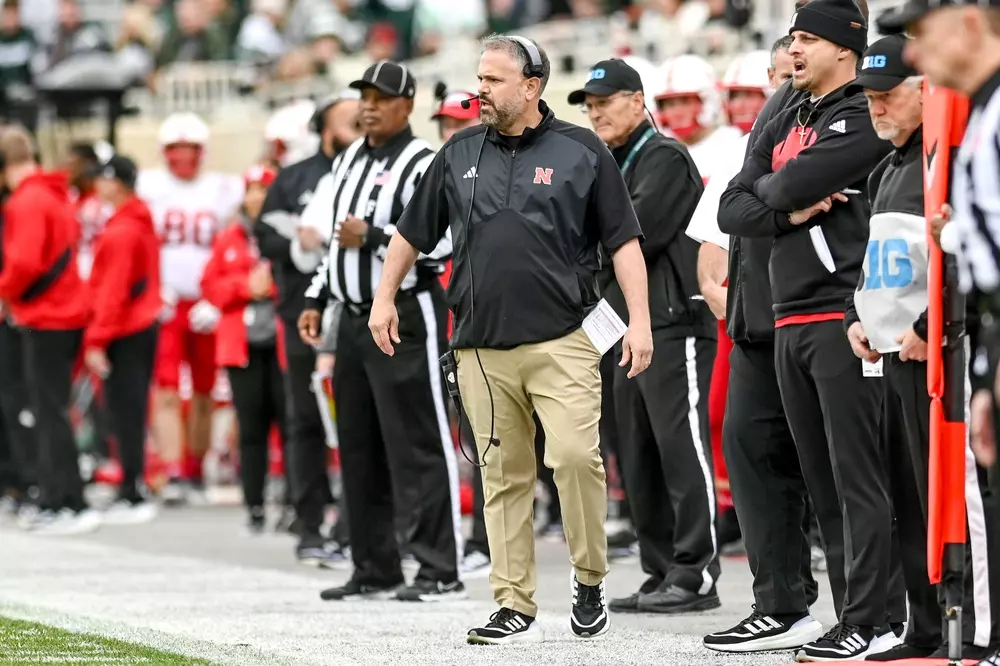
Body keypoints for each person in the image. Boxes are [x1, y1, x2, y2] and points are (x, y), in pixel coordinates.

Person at [368, 34, 651, 644]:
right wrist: (384, 296)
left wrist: (642, 322)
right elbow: (410, 231)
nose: (481, 91)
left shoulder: (583, 150)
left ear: (532, 86)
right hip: (480, 345)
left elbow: (625, 242)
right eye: (480, 78)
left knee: (576, 459)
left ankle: (590, 576)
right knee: (502, 474)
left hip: (565, 339)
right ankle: (512, 600)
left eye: (493, 81)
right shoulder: (459, 150)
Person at [718, 1, 901, 660]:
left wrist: (778, 192)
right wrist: (787, 210)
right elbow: (734, 203)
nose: (791, 51)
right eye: (791, 39)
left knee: (858, 478)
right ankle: (848, 615)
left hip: (839, 310)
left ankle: (879, 617)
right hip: (786, 312)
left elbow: (794, 180)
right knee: (823, 482)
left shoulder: (858, 111)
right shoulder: (789, 111)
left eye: (804, 40)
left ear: (843, 47)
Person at [842, 34, 997, 661]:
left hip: (940, 356)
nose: (877, 109)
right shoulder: (887, 168)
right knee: (909, 494)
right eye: (870, 99)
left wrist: (930, 326)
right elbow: (881, 262)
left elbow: (964, 254)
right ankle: (926, 626)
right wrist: (861, 315)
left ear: (923, 91)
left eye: (887, 97)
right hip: (892, 359)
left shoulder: (946, 159)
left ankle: (983, 629)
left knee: (961, 495)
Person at [297, 59, 463, 603]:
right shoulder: (347, 159)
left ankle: (439, 567)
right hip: (351, 316)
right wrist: (317, 295)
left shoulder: (423, 161)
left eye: (380, 96)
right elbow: (331, 244)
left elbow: (443, 243)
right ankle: (374, 564)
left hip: (406, 314)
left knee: (418, 442)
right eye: (363, 95)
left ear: (406, 104)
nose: (368, 105)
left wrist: (372, 235)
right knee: (358, 443)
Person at [569, 58, 719, 615]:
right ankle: (661, 571)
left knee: (682, 447)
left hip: (672, 321)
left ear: (638, 100)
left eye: (606, 101)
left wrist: (583, 246)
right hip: (628, 327)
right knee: (638, 453)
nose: (595, 112)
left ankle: (696, 571)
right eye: (589, 104)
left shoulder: (664, 155)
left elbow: (635, 237)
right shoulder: (612, 162)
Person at [688, 42, 794, 556]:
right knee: (740, 432)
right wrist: (736, 311)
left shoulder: (841, 133)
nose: (782, 85)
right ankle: (771, 578)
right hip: (752, 320)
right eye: (776, 75)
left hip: (817, 316)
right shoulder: (741, 148)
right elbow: (711, 255)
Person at [256, 88, 361, 557]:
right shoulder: (294, 178)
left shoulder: (367, 171)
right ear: (323, 126)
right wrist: (300, 244)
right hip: (303, 313)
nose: (358, 127)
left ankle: (355, 526)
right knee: (305, 421)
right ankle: (310, 522)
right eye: (347, 121)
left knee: (358, 419)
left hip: (353, 311)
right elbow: (264, 233)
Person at [137, 111, 244, 505]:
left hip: (205, 302)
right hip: (166, 301)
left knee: (203, 390)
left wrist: (217, 297)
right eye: (175, 148)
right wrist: (151, 288)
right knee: (165, 388)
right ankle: (173, 471)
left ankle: (196, 469)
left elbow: (236, 238)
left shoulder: (221, 189)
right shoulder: (149, 187)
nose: (183, 156)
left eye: (190, 148)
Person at [0, 125, 97, 535]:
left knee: (47, 412)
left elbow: (24, 263)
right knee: (54, 410)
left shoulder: (27, 201)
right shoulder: (53, 194)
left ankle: (62, 499)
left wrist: (3, 294)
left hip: (46, 315)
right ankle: (65, 496)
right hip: (65, 312)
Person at [201, 164, 287, 535]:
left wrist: (272, 287)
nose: (256, 197)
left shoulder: (287, 232)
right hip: (243, 347)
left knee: (291, 425)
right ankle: (254, 504)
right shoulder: (229, 237)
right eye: (250, 189)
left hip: (282, 343)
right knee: (250, 427)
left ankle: (295, 502)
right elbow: (211, 287)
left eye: (263, 188)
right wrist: (245, 287)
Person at [84, 154, 161, 525]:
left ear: (116, 182)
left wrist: (97, 339)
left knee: (125, 413)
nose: (97, 185)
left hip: (126, 330)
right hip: (138, 326)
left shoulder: (123, 230)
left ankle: (131, 488)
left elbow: (113, 292)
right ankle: (132, 483)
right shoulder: (134, 222)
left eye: (102, 178)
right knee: (130, 411)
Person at [653, 54, 744, 183]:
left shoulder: (734, 144)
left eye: (685, 101)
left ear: (707, 101)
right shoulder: (656, 150)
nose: (677, 112)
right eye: (669, 104)